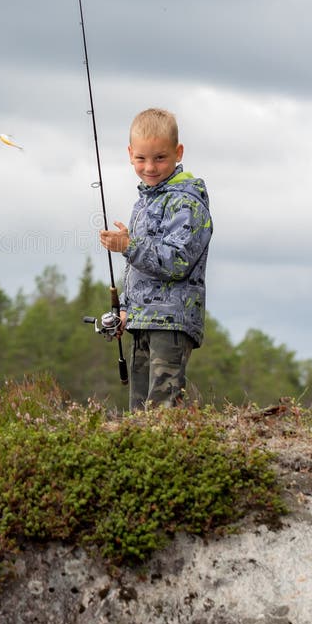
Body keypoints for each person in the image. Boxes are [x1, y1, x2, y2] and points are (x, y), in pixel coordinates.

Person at [99, 108, 212, 409]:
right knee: (140, 414)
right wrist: (124, 310)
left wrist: (129, 245)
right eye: (141, 158)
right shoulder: (143, 204)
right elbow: (141, 272)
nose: (150, 167)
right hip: (142, 321)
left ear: (178, 152)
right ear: (130, 154)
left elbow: (176, 262)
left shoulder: (186, 203)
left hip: (171, 323)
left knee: (162, 411)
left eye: (160, 158)